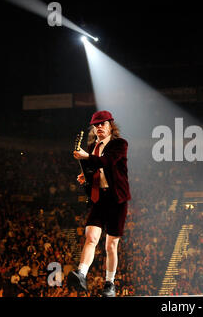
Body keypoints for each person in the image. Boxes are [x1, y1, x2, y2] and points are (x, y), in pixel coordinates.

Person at [69, 110, 131, 297]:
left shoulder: (119, 144)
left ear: (110, 125)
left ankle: (109, 284)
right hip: (99, 199)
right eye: (96, 125)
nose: (99, 127)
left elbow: (107, 161)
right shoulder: (92, 147)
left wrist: (86, 157)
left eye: (102, 124)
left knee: (111, 245)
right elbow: (94, 170)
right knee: (91, 237)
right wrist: (85, 176)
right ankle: (81, 273)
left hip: (117, 199)